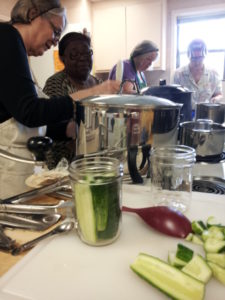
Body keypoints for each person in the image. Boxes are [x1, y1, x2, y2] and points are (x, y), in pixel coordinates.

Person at [0, 0, 120, 199]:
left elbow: (16, 119)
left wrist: (65, 130)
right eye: (56, 31)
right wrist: (95, 92)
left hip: (18, 168)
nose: (56, 41)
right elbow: (30, 112)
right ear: (32, 14)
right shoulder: (6, 39)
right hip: (7, 173)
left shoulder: (17, 49)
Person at [43, 32, 102, 168]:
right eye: (74, 55)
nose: (82, 59)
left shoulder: (98, 82)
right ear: (62, 59)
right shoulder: (56, 83)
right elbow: (51, 124)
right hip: (64, 165)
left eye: (87, 53)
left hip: (96, 160)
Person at [173, 38, 222, 110]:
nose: (197, 62)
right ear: (188, 56)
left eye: (200, 58)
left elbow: (218, 94)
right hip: (185, 114)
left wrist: (216, 99)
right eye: (193, 58)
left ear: (205, 56)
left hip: (206, 114)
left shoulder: (214, 74)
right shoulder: (178, 74)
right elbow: (174, 96)